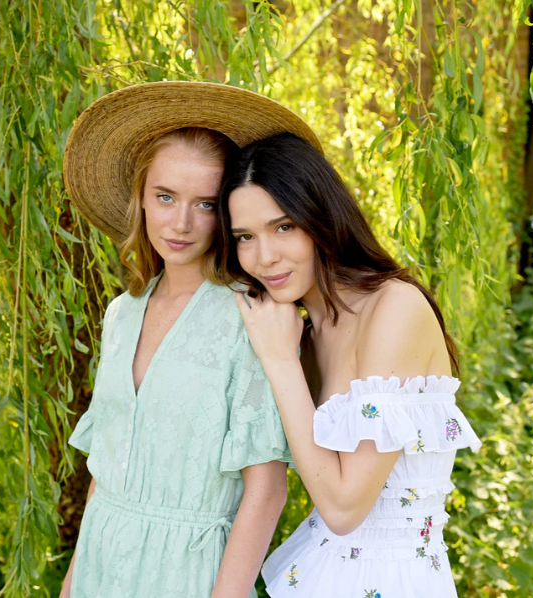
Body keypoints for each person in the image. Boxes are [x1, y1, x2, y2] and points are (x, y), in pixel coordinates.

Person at [59, 82, 322, 598]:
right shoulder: (121, 314)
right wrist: (71, 585)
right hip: (99, 567)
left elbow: (267, 490)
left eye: (204, 204)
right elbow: (106, 473)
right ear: (140, 197)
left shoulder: (252, 317)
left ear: (225, 213)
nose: (180, 223)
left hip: (189, 573)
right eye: (165, 197)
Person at [220, 132, 483, 597]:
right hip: (322, 574)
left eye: (284, 227)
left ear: (320, 216)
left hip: (394, 580)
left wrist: (279, 360)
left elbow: (344, 509)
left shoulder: (394, 308)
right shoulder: (302, 333)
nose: (265, 257)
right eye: (245, 237)